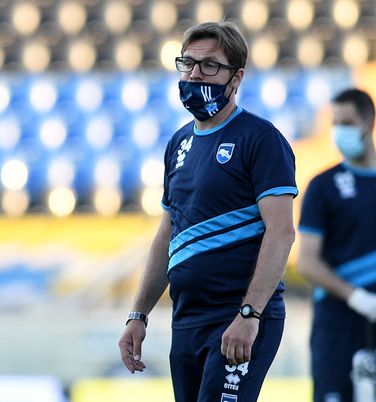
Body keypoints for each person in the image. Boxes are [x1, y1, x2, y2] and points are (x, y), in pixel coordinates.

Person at [118, 21, 298, 402]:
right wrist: (138, 314)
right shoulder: (179, 142)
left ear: (237, 77)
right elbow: (167, 233)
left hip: (238, 317)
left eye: (211, 65)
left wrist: (250, 315)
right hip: (186, 320)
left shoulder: (261, 139)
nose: (196, 74)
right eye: (189, 63)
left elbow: (281, 232)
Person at [297, 88, 376, 402]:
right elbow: (307, 262)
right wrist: (356, 297)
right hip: (337, 321)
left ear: (368, 122)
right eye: (335, 123)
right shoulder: (323, 186)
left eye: (347, 122)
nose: (339, 131)